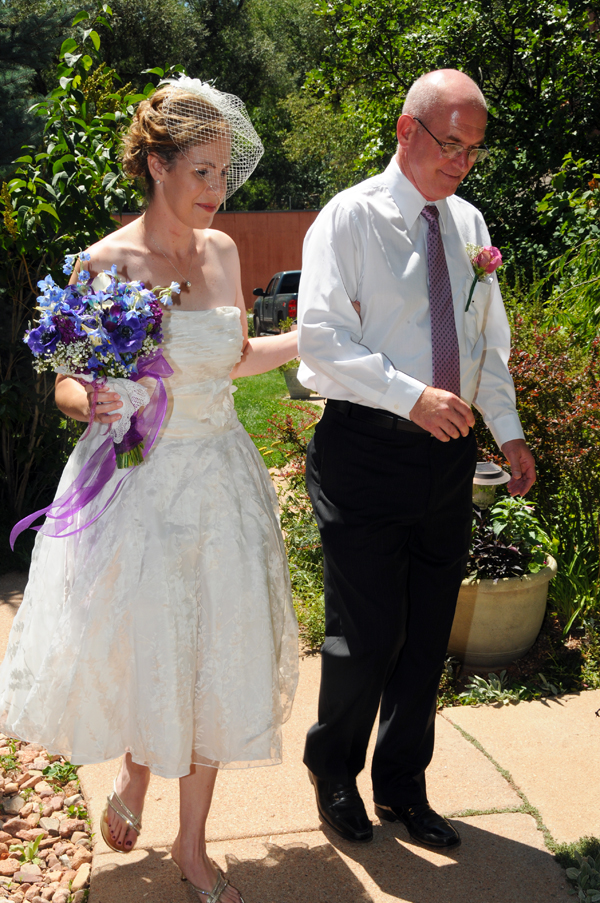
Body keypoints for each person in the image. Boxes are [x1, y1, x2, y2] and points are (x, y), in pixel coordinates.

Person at [0, 77, 299, 903]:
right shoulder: (102, 262)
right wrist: (85, 398)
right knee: (157, 649)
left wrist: (307, 339)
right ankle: (134, 773)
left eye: (224, 173)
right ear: (159, 164)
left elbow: (232, 359)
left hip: (223, 480)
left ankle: (193, 846)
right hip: (141, 484)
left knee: (220, 653)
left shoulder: (228, 253)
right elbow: (64, 382)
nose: (217, 191)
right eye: (202, 172)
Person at [297, 69, 536, 850]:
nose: (462, 162)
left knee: (427, 632)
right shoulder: (349, 219)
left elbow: (483, 344)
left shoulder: (469, 223)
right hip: (365, 452)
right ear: (407, 131)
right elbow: (321, 342)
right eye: (451, 143)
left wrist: (508, 431)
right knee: (366, 633)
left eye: (474, 150)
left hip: (447, 459)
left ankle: (402, 785)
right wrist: (411, 397)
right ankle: (334, 769)